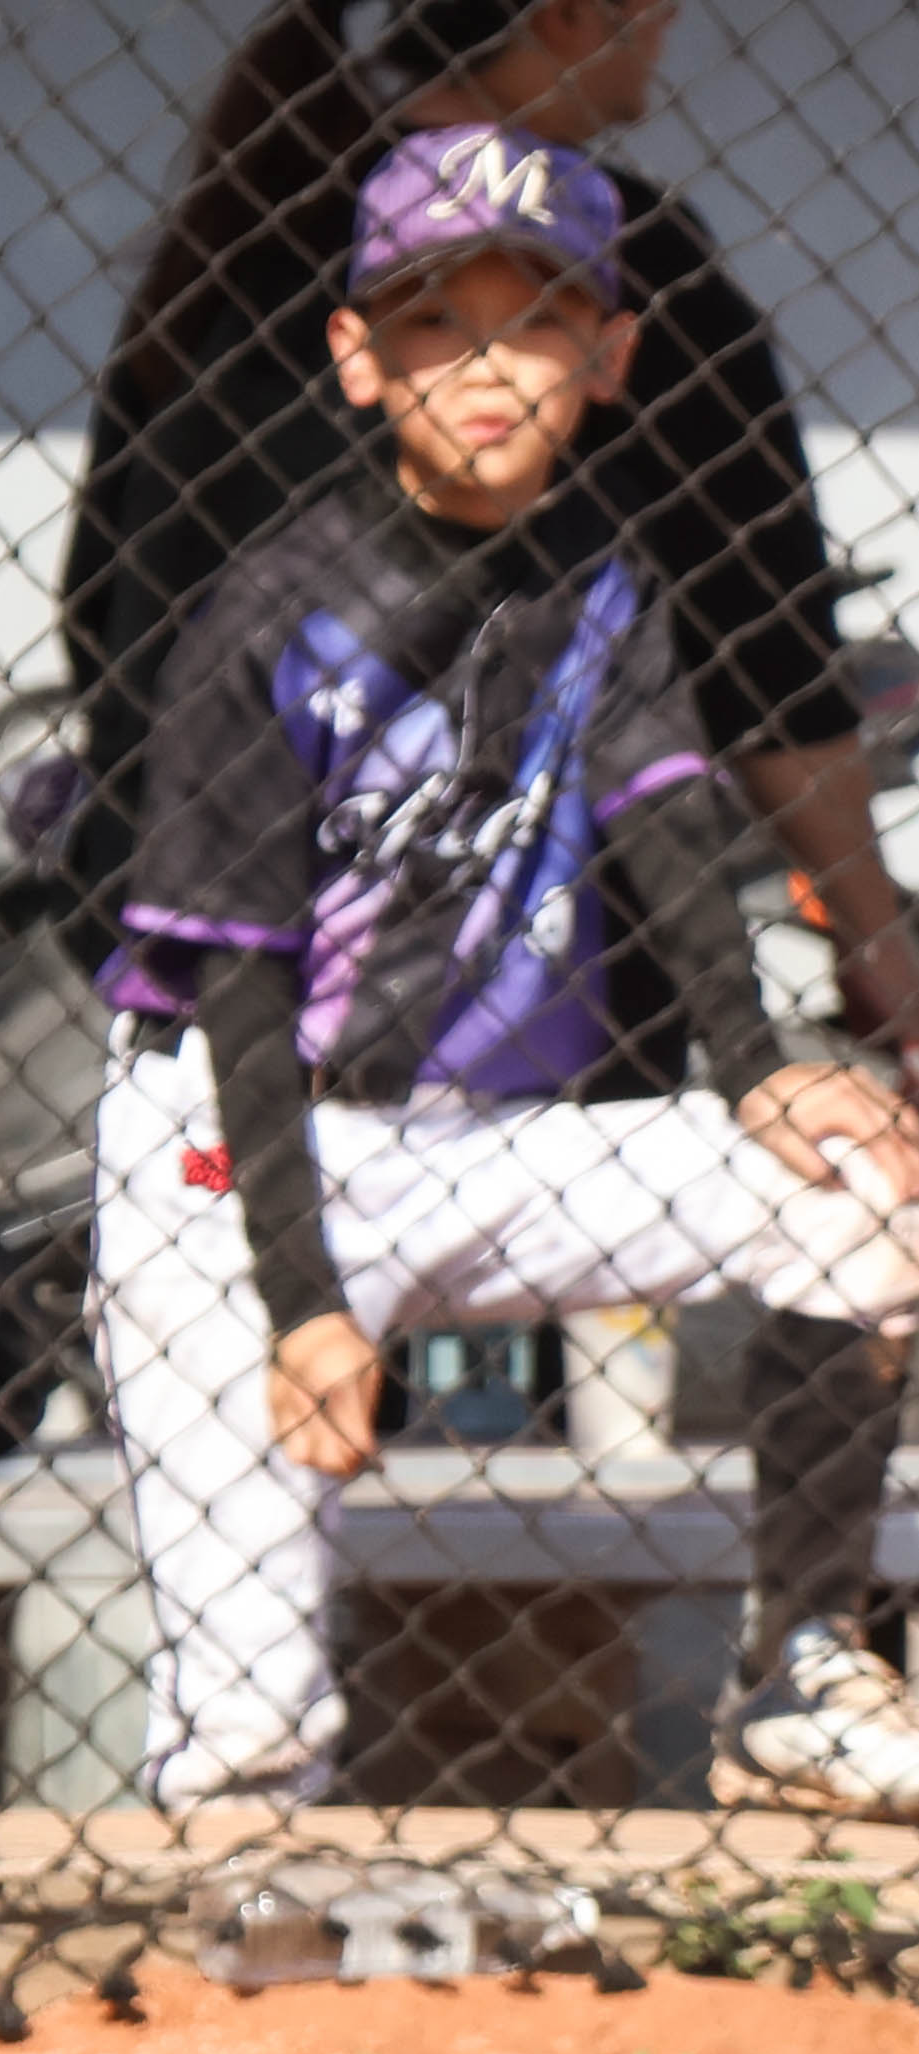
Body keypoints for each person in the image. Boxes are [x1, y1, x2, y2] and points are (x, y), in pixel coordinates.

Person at [104, 126, 919, 1815]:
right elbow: (238, 989)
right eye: (434, 323)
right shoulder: (269, 614)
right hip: (237, 1156)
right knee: (250, 1737)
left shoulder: (604, 568)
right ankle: (232, 1925)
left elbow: (668, 818)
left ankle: (799, 1667)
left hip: (495, 1144)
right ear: (355, 355)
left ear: (610, 357)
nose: (487, 368)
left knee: (854, 1174)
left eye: (537, 321)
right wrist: (304, 1300)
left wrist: (760, 1063)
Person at [64, 0, 919, 1049]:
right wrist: (876, 944)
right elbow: (765, 650)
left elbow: (93, 601)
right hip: (502, 1010)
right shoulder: (619, 263)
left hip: (179, 940)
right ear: (569, 15)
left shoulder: (254, 219)